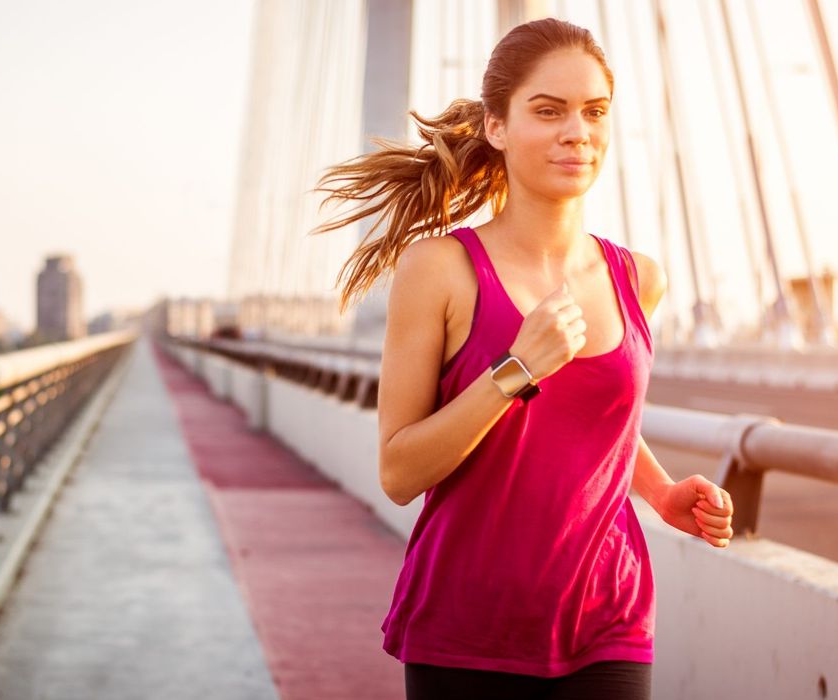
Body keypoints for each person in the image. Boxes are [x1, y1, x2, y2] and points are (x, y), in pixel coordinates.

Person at [314, 17, 735, 700]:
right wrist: (515, 370)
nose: (577, 132)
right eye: (548, 111)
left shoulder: (638, 278)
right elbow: (399, 470)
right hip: (466, 626)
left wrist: (658, 490)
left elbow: (591, 424)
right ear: (497, 126)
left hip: (608, 617)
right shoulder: (440, 269)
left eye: (594, 112)